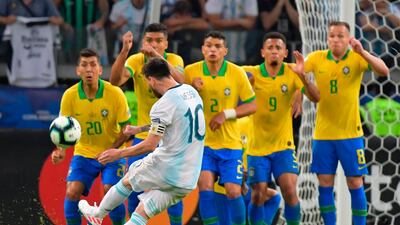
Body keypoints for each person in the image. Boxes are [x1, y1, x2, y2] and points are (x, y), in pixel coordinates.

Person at [78, 57, 205, 225]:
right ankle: (99, 215)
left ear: (151, 79)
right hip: (188, 178)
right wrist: (139, 129)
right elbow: (174, 119)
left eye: (147, 82)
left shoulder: (163, 104)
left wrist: (119, 153)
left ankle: (98, 214)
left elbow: (150, 144)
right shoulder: (190, 91)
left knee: (128, 179)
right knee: (141, 213)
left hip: (169, 167)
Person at [303, 21, 389, 225]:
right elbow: (296, 72)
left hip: (350, 134)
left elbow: (384, 71)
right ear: (327, 38)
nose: (336, 39)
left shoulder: (356, 58)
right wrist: (297, 94)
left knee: (355, 182)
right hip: (323, 135)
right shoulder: (316, 58)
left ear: (348, 39)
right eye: (332, 35)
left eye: (341, 36)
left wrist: (363, 52)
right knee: (324, 183)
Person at [109, 23, 185, 224]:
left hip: (171, 140)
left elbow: (181, 81)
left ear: (166, 44)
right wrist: (125, 51)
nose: (154, 45)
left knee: (172, 191)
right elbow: (115, 81)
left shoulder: (174, 59)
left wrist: (156, 56)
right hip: (145, 136)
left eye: (159, 41)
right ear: (143, 42)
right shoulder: (136, 60)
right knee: (134, 187)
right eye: (149, 40)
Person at [242, 31, 320, 225]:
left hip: (283, 146)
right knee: (258, 194)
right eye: (270, 48)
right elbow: (229, 77)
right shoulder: (250, 73)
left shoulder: (293, 72)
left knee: (290, 190)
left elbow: (316, 97)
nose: (274, 51)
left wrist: (302, 81)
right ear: (262, 52)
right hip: (257, 147)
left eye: (278, 48)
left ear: (285, 52)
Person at [51, 48, 131, 225]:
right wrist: (61, 150)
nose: (89, 69)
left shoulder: (115, 93)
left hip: (113, 153)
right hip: (84, 153)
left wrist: (111, 150)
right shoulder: (69, 96)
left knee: (111, 190)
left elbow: (127, 129)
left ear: (100, 70)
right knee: (72, 192)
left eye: (93, 65)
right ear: (78, 70)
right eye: (84, 65)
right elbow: (63, 129)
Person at [184, 31, 257, 225]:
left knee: (233, 191)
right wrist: (191, 88)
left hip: (230, 144)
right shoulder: (191, 72)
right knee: (205, 187)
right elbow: (177, 99)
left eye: (217, 46)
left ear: (225, 51)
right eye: (209, 45)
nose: (212, 49)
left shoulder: (236, 73)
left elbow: (252, 105)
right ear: (202, 49)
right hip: (203, 144)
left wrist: (226, 114)